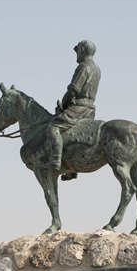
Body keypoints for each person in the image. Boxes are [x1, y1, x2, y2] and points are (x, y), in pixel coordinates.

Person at [43, 40, 101, 175]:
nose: (76, 54)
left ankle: (56, 161)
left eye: (78, 50)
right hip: (90, 109)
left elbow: (73, 90)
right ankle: (72, 170)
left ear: (83, 50)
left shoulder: (83, 67)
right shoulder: (97, 69)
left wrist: (63, 104)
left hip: (78, 108)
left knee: (53, 127)